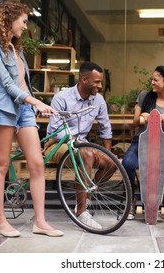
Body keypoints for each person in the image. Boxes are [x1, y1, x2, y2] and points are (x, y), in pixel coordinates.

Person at [0, 0, 63, 237]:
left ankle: (40, 222)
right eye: (24, 21)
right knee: (1, 165)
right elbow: (7, 85)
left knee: (37, 164)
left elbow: (23, 84)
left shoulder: (17, 49)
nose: (26, 27)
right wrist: (35, 102)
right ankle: (0, 221)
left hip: (24, 112)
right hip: (4, 110)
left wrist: (36, 105)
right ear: (10, 18)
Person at [44, 61, 113, 229]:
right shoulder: (62, 98)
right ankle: (81, 212)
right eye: (96, 82)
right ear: (83, 80)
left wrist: (108, 153)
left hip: (82, 144)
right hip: (57, 143)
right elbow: (57, 129)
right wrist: (76, 143)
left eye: (101, 81)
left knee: (112, 163)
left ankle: (86, 198)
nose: (100, 85)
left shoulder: (98, 100)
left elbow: (105, 128)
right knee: (86, 154)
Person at [122, 65, 164, 220]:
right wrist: (143, 116)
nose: (152, 82)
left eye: (155, 79)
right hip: (140, 141)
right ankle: (130, 201)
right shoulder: (144, 96)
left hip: (162, 144)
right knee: (127, 164)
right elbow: (134, 123)